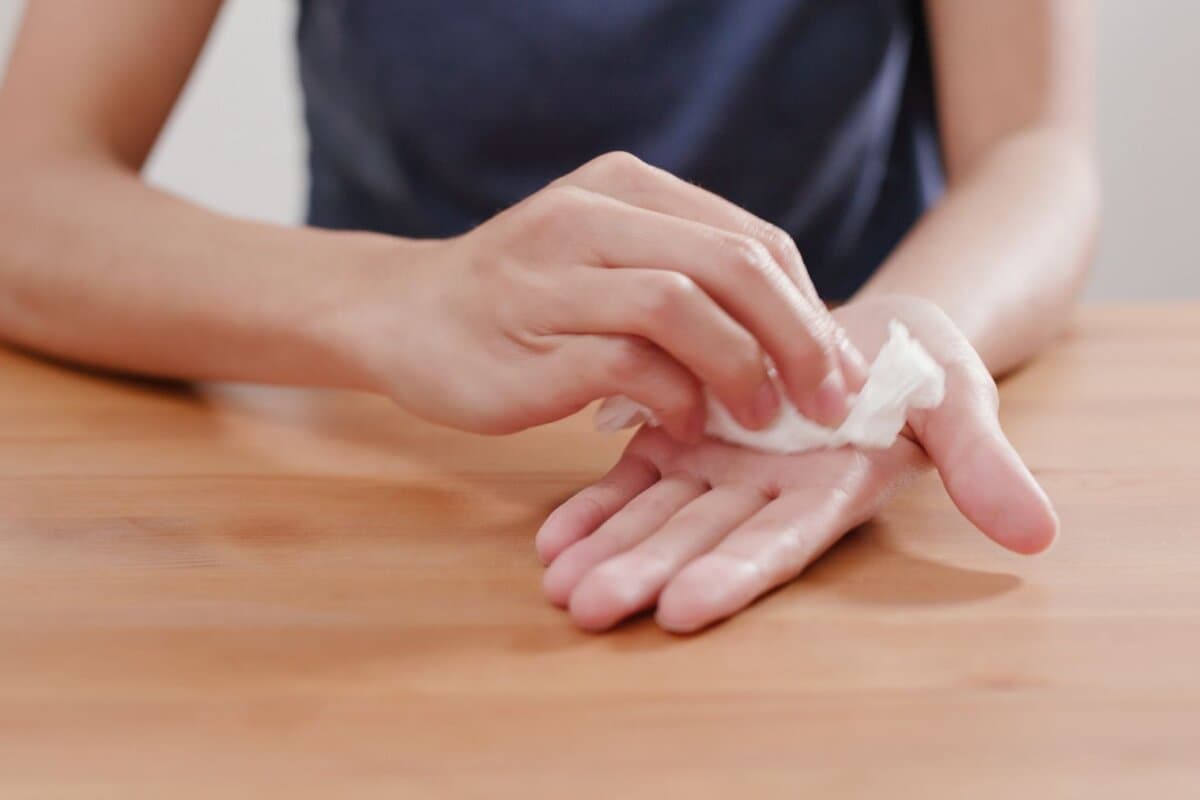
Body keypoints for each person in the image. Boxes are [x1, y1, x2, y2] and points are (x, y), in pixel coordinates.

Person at [0, 1, 1097, 632]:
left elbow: (1037, 153)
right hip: (372, 472)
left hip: (801, 476)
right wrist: (395, 298)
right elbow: (24, 199)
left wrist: (896, 346)